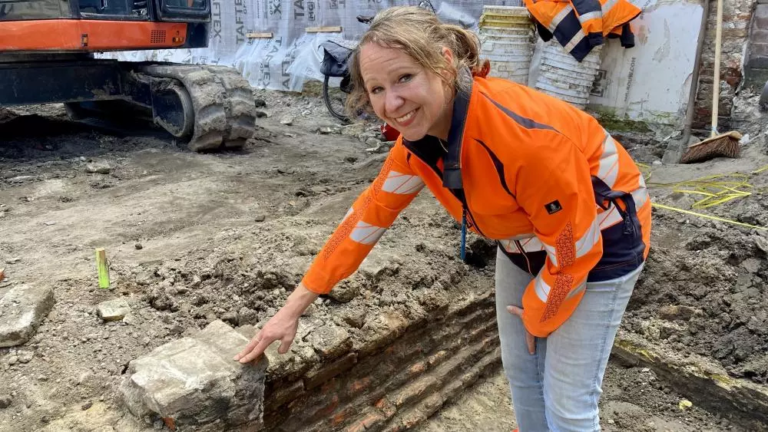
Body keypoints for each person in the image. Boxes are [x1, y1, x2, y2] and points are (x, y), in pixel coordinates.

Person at [235, 6, 651, 431]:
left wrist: (540, 311)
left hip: (601, 236)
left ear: (445, 62)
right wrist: (291, 309)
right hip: (524, 240)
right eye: (377, 89)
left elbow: (575, 249)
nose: (391, 103)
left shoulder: (523, 142)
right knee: (524, 377)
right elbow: (363, 222)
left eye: (404, 78)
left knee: (567, 404)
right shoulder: (417, 147)